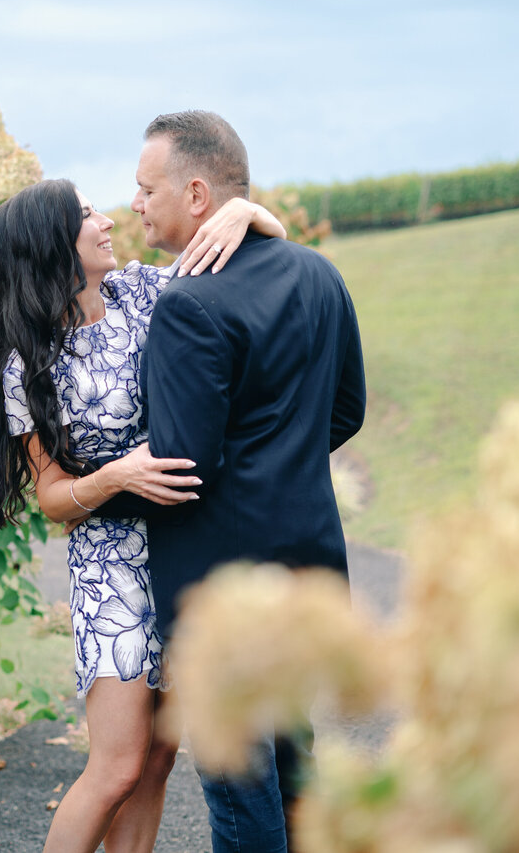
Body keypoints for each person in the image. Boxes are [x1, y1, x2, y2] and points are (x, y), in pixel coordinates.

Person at [0, 177, 287, 853]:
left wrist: (251, 212)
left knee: (157, 762)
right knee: (116, 767)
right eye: (87, 215)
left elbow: (251, 259)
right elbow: (54, 500)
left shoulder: (142, 291)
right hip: (112, 571)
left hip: (183, 547)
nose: (108, 220)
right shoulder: (29, 363)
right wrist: (116, 475)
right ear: (53, 244)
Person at [104, 110, 367, 852]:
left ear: (194, 194)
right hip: (309, 567)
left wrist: (89, 488)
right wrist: (282, 459)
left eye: (145, 188)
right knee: (292, 763)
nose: (134, 204)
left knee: (239, 784)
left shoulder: (188, 305)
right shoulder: (319, 272)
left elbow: (184, 463)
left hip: (223, 588)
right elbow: (346, 409)